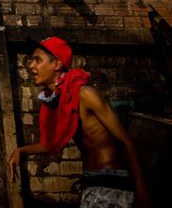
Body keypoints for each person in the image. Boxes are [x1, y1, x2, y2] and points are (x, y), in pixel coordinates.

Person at [8, 37, 150, 208]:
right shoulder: (61, 100)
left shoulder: (85, 94)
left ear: (57, 64)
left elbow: (126, 141)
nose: (31, 66)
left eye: (37, 60)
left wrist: (141, 190)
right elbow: (51, 144)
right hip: (92, 181)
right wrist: (20, 151)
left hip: (111, 182)